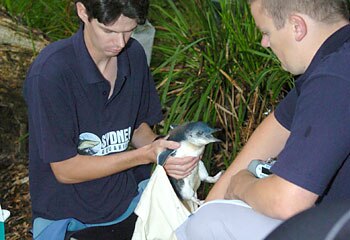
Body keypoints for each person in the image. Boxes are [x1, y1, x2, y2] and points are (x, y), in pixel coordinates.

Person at [23, 0, 199, 239]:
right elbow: (66, 169)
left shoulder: (133, 55)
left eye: (129, 30)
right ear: (83, 12)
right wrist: (146, 154)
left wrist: (167, 148)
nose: (120, 43)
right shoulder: (52, 72)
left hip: (127, 200)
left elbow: (136, 128)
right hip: (69, 217)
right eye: (109, 31)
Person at [175, 0, 350, 239]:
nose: (264, 43)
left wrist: (242, 186)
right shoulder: (332, 60)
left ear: (297, 26)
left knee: (208, 223)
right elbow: (271, 135)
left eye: (266, 32)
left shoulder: (333, 78)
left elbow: (288, 201)